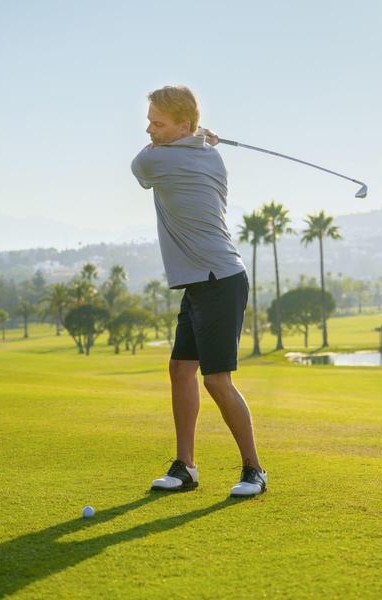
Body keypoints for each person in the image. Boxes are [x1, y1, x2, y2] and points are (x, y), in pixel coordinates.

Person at [130, 85, 266, 498]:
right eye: (149, 119)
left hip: (218, 281)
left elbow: (138, 169)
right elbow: (187, 141)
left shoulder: (159, 160)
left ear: (184, 126)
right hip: (205, 280)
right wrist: (197, 134)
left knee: (217, 381)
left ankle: (254, 471)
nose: (149, 128)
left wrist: (193, 133)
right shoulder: (210, 153)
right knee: (180, 370)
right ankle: (186, 466)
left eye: (158, 122)